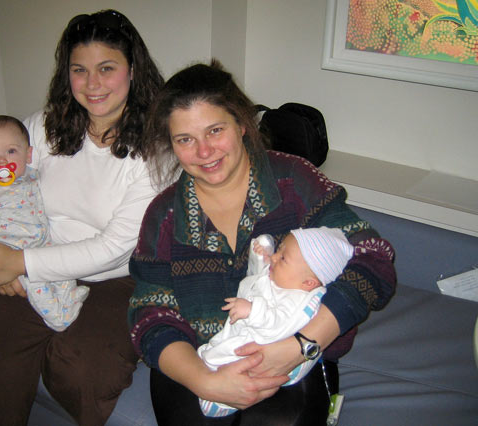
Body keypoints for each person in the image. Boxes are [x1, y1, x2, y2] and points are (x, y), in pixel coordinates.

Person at [128, 60, 396, 426]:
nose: (204, 151)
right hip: (198, 360)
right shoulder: (164, 216)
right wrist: (204, 380)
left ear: (241, 124)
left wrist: (301, 345)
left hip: (293, 355)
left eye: (215, 130)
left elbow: (373, 258)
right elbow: (149, 313)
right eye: (185, 139)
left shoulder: (293, 182)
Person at [0, 9, 164, 426]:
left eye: (106, 68)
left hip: (118, 277)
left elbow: (113, 248)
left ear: (133, 71)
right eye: (79, 70)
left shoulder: (156, 151)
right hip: (35, 251)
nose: (92, 83)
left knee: (82, 373)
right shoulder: (45, 126)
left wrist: (18, 263)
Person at [0, 115, 89, 331]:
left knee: (62, 271)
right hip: (11, 255)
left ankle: (68, 297)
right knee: (38, 285)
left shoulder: (35, 177)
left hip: (44, 244)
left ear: (28, 154)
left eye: (11, 151)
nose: (1, 161)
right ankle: (60, 319)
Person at [197, 227, 354, 417]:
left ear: (308, 283)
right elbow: (259, 280)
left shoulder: (297, 300)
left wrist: (252, 310)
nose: (274, 257)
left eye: (283, 258)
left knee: (221, 358)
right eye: (279, 250)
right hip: (240, 334)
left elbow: (278, 325)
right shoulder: (284, 280)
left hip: (257, 348)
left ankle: (216, 400)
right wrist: (262, 257)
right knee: (213, 352)